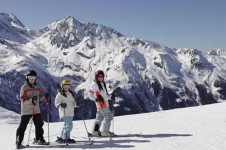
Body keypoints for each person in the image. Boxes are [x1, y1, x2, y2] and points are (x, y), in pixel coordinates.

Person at [16, 70, 48, 149]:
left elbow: (40, 97)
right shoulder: (24, 87)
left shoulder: (37, 86)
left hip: (36, 109)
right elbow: (22, 98)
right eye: (30, 77)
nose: (32, 79)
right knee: (23, 126)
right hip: (26, 110)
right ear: (27, 78)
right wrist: (31, 100)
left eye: (34, 78)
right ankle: (18, 141)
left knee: (39, 124)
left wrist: (45, 97)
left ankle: (39, 139)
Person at [88, 70, 117, 137]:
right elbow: (90, 94)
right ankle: (105, 132)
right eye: (99, 77)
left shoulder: (101, 83)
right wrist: (96, 99)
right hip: (101, 104)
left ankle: (95, 132)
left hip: (101, 104)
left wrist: (110, 96)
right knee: (109, 116)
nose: (100, 78)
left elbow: (104, 96)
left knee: (99, 118)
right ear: (96, 77)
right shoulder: (95, 84)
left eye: (102, 76)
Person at [55, 79, 77, 143]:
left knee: (65, 125)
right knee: (69, 125)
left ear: (69, 86)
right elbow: (56, 103)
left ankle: (61, 137)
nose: (66, 87)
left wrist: (76, 104)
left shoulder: (71, 94)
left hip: (70, 112)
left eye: (67, 86)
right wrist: (61, 105)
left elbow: (73, 103)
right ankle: (66, 138)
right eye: (65, 86)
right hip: (64, 112)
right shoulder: (60, 94)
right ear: (62, 86)